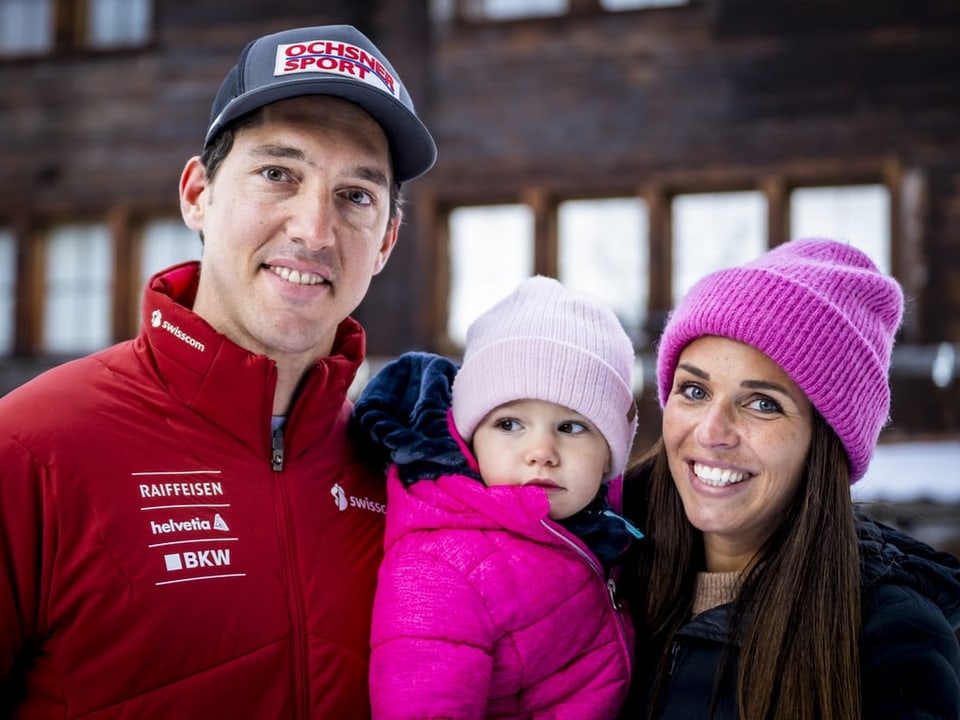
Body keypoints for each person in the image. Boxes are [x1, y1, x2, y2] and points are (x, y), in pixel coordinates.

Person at [0, 24, 435, 718]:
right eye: (277, 174)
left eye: (356, 194)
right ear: (197, 193)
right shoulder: (28, 449)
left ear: (385, 239)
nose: (314, 230)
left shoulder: (408, 479)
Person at [619, 237, 960, 719]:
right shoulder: (596, 565)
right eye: (694, 390)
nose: (712, 432)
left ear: (822, 444)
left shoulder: (890, 640)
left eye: (762, 403)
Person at [351, 275, 643, 718]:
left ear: (610, 454)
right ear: (471, 439)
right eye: (510, 424)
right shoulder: (442, 565)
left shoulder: (601, 526)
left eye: (571, 427)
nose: (541, 453)